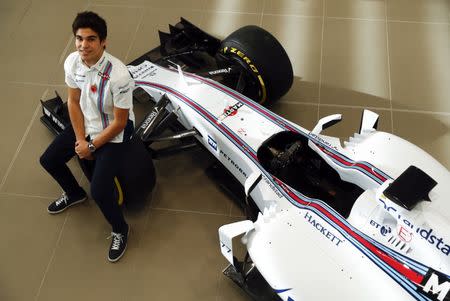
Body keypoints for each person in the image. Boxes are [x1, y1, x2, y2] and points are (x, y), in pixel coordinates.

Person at [40, 11, 135, 263]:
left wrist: (91, 145)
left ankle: (121, 229)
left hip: (115, 133)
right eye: (79, 39)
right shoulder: (72, 62)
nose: (84, 45)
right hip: (86, 123)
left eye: (91, 39)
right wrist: (81, 140)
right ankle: (73, 193)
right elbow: (73, 100)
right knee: (48, 160)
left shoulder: (119, 75)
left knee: (101, 191)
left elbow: (120, 122)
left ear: (104, 42)